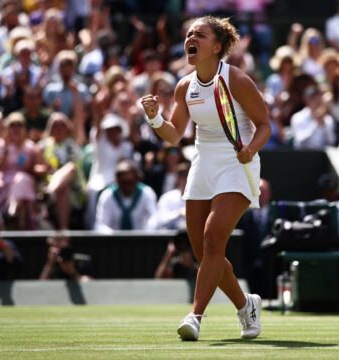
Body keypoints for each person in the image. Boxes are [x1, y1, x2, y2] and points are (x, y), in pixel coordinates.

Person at [140, 16, 270, 341]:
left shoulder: (237, 80)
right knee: (203, 251)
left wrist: (250, 149)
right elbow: (173, 135)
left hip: (237, 164)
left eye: (199, 33)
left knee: (214, 239)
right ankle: (245, 305)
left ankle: (195, 315)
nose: (190, 37)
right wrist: (154, 117)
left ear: (217, 46)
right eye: (188, 34)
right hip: (203, 162)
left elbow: (265, 123)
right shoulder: (184, 86)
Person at [94, 159, 157, 232]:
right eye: (124, 183)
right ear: (117, 181)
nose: (127, 186)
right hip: (114, 241)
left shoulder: (146, 193)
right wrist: (115, 237)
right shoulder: (107, 195)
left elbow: (154, 219)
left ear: (136, 180)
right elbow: (100, 225)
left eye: (130, 182)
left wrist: (146, 233)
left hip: (141, 240)